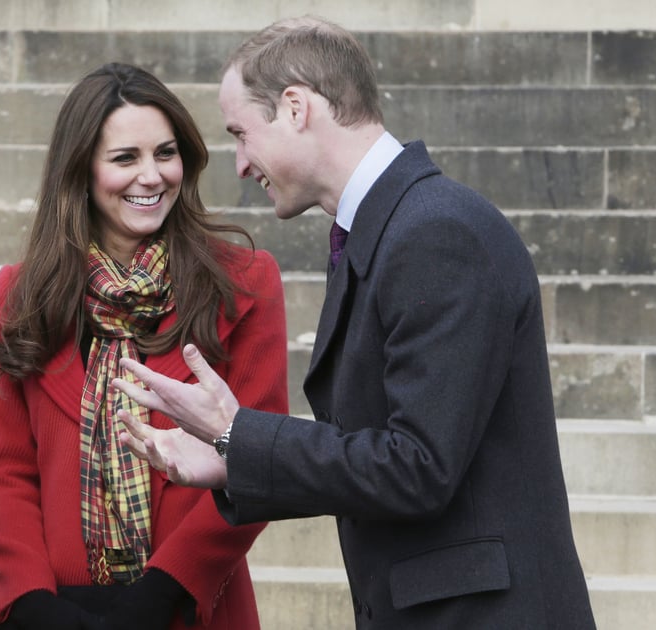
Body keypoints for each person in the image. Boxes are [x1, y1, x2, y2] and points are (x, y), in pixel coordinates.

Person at [113, 17, 596, 629]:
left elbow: (417, 466)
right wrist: (235, 461)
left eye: (241, 133)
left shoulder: (435, 231)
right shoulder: (393, 226)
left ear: (294, 107)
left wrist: (239, 432)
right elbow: (382, 456)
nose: (238, 163)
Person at [0, 62, 289, 630]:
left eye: (165, 153)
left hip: (188, 605)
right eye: (124, 159)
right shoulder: (20, 296)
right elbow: (4, 471)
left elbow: (258, 461)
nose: (151, 176)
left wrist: (162, 591)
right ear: (82, 171)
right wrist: (35, 603)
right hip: (54, 612)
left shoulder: (245, 282)